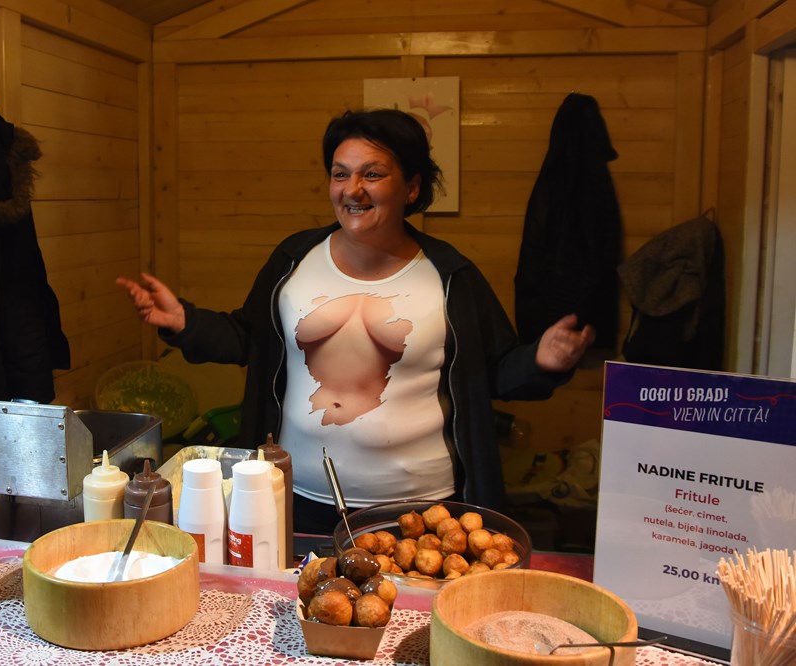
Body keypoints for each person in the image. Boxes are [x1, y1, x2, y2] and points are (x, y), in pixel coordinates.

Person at [117, 108, 594, 534]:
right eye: (340, 174)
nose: (352, 189)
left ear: (412, 188)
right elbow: (248, 338)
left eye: (373, 174)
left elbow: (494, 372)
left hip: (421, 513)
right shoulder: (293, 260)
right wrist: (185, 321)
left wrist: (541, 360)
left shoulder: (451, 277)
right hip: (293, 497)